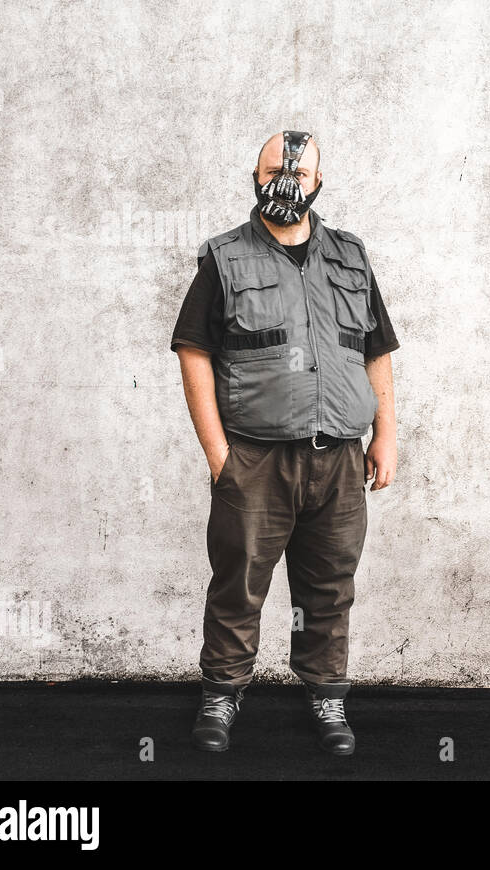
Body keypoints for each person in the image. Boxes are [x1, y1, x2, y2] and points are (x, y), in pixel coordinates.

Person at [170, 130, 399, 755]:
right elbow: (193, 352)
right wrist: (220, 456)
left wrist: (387, 436)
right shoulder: (225, 258)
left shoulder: (351, 257)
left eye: (297, 175)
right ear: (254, 172)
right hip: (257, 457)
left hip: (341, 460)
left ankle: (327, 696)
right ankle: (221, 693)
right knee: (238, 581)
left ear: (318, 182)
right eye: (275, 169)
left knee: (329, 585)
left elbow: (375, 349)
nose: (285, 183)